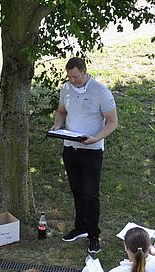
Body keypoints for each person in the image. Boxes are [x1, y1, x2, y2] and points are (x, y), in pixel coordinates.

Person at [51, 57, 118, 254]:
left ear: (85, 71)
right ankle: (80, 227)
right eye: (69, 77)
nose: (72, 81)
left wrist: (96, 138)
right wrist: (57, 125)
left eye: (76, 77)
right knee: (77, 190)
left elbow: (112, 122)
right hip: (70, 148)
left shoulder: (101, 92)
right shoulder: (66, 88)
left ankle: (93, 234)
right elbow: (61, 111)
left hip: (92, 150)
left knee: (90, 193)